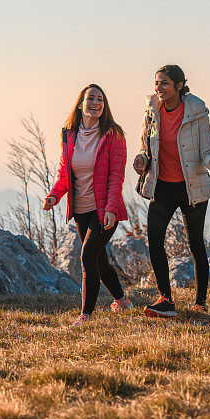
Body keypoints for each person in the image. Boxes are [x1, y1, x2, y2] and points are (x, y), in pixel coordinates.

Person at [133, 65, 210, 318]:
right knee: (154, 240)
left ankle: (200, 302)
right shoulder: (151, 111)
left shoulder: (196, 111)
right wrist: (141, 160)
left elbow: (207, 148)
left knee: (195, 243)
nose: (158, 87)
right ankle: (166, 300)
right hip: (162, 185)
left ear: (179, 86)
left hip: (191, 186)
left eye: (164, 83)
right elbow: (144, 147)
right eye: (157, 83)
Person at [44, 83, 132, 326]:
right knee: (99, 261)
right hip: (80, 209)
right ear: (81, 104)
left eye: (100, 99)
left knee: (87, 256)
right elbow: (65, 173)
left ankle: (85, 316)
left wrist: (112, 209)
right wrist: (54, 196)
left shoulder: (113, 135)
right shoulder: (69, 133)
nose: (96, 103)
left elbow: (117, 176)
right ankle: (122, 301)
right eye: (91, 98)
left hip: (104, 209)